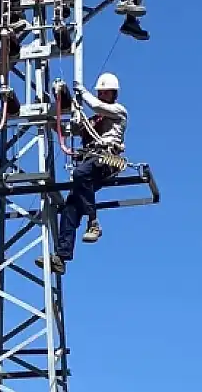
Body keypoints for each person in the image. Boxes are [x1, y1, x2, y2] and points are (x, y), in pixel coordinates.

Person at [36, 72, 128, 275]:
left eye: (107, 92)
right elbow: (61, 128)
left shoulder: (119, 112)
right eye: (101, 92)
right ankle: (61, 257)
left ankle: (93, 222)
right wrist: (55, 105)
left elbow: (97, 106)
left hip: (107, 160)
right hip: (90, 164)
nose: (103, 95)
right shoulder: (92, 121)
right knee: (71, 207)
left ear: (113, 95)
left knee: (79, 174)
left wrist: (83, 93)